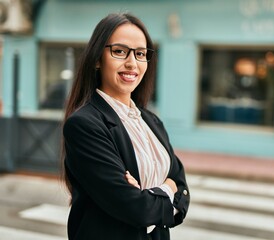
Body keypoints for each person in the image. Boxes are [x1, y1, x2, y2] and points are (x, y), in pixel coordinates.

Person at [61, 12, 190, 240]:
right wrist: (167, 189)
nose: (132, 63)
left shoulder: (151, 121)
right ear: (98, 59)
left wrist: (150, 195)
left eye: (140, 54)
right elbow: (135, 209)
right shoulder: (84, 124)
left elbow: (182, 188)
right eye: (120, 51)